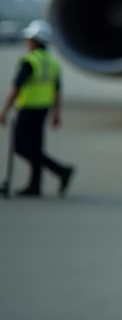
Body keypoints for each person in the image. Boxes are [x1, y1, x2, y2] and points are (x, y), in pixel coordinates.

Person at [0, 20, 75, 198]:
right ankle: (35, 185)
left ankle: (61, 170)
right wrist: (57, 113)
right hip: (43, 109)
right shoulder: (52, 62)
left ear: (34, 40)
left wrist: (4, 110)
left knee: (21, 147)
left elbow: (16, 87)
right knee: (35, 146)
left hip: (27, 109)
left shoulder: (29, 61)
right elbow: (57, 90)